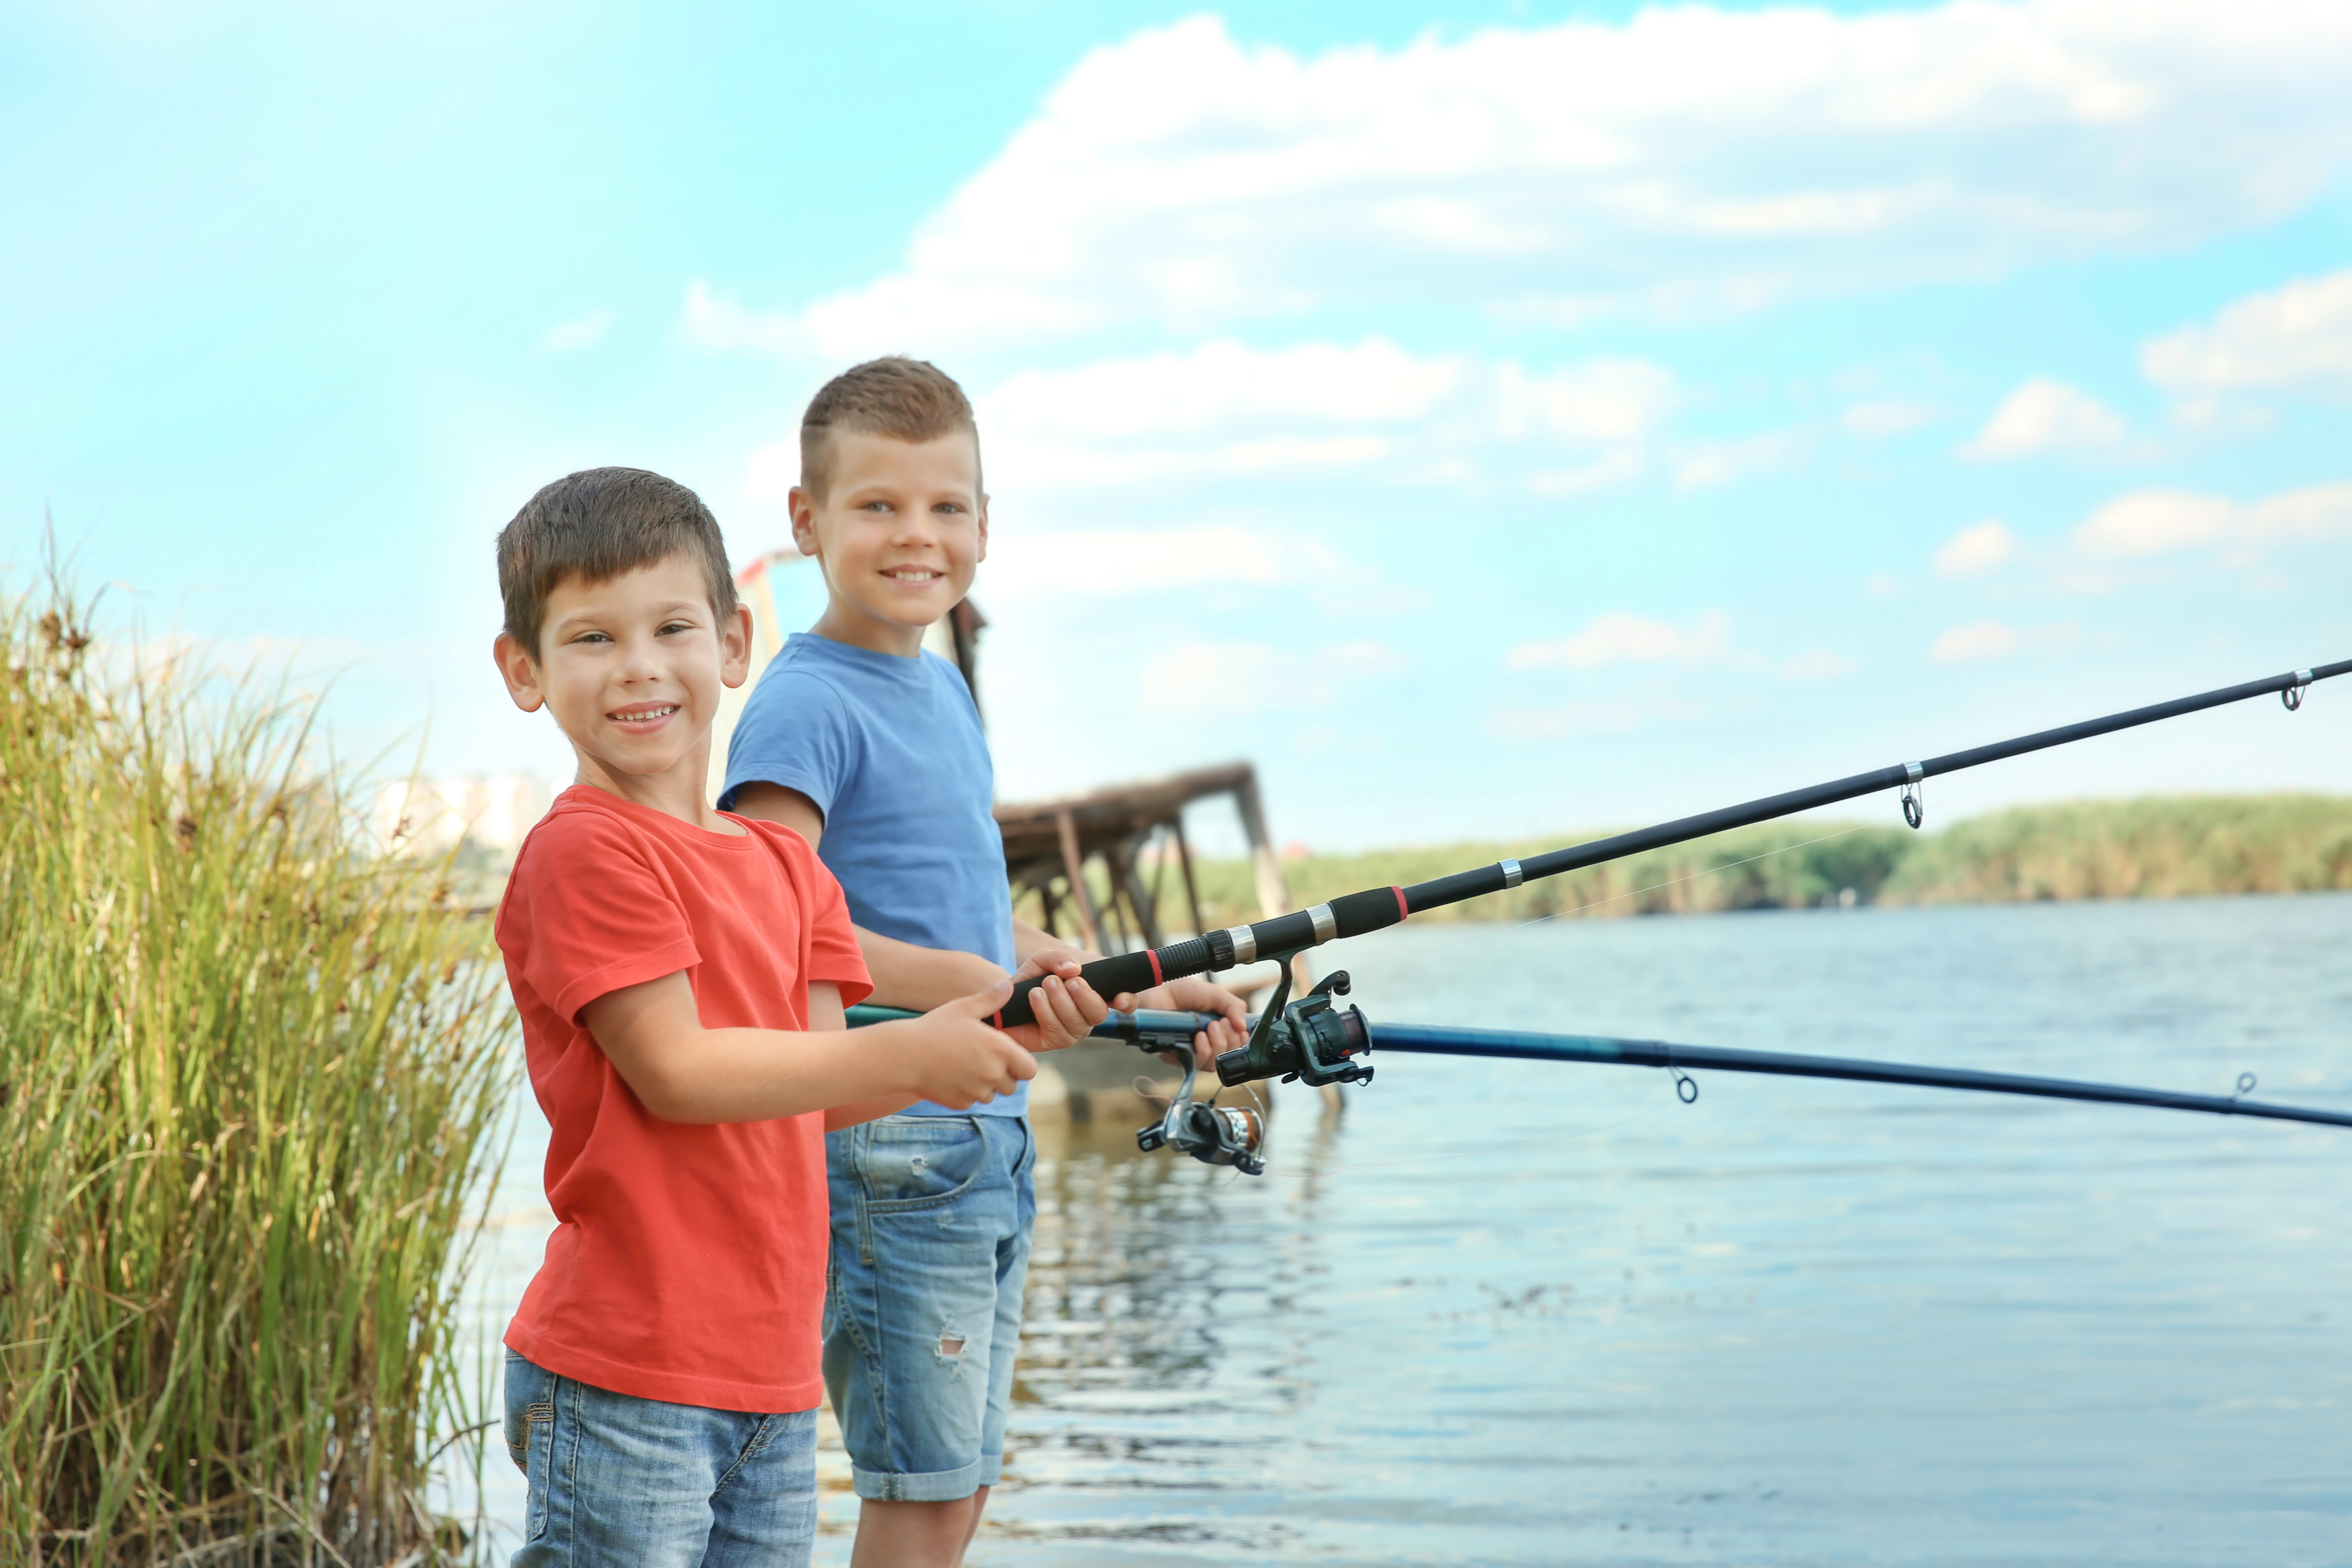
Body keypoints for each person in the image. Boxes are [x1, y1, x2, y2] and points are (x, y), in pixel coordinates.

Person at [486, 466, 1109, 1567]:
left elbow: (822, 1082)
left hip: (769, 1376)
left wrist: (990, 1036)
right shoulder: (585, 850)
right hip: (625, 1368)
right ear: (524, 670)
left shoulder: (784, 864)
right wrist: (921, 1053)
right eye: (592, 639)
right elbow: (677, 1072)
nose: (639, 666)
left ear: (731, 645)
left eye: (671, 626)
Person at [721, 359, 1251, 1567]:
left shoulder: (944, 688)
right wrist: (957, 996)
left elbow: (973, 920)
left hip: (986, 1125)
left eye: (947, 507)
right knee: (919, 1495)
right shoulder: (803, 706)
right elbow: (767, 919)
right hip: (891, 1136)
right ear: (807, 524)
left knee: (957, 1493)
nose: (918, 536)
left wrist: (1138, 987)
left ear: (986, 526)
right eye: (878, 507)